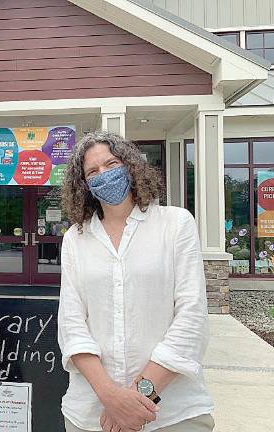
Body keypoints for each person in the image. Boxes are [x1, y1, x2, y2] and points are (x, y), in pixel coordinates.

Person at [58, 132, 214, 432]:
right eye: (92, 171)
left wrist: (137, 398)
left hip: (174, 415)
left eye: (111, 163)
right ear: (83, 184)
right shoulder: (75, 240)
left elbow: (192, 319)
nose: (103, 174)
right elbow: (71, 325)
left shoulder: (176, 224)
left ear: (130, 166)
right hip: (91, 415)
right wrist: (110, 397)